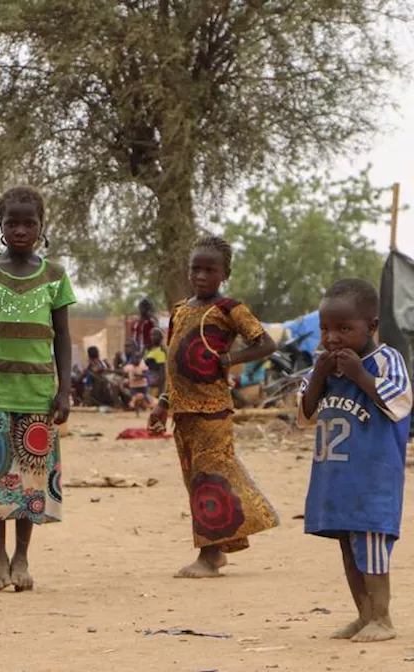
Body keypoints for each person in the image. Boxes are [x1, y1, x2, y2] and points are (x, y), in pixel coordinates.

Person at [0, 186, 73, 592]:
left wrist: (64, 389)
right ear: (1, 227)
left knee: (30, 484)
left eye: (29, 223)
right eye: (12, 222)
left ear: (42, 227)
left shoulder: (55, 275)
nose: (20, 229)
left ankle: (22, 556)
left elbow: (62, 335)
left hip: (38, 394)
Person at [149, 235, 278, 578]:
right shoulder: (180, 309)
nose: (201, 276)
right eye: (196, 269)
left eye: (210, 270)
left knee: (210, 479)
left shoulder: (229, 310)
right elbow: (172, 365)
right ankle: (217, 551)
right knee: (196, 481)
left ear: (225, 273)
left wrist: (231, 358)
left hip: (214, 410)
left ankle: (208, 557)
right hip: (183, 412)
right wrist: (163, 403)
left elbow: (266, 343)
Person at [299, 278, 411, 643]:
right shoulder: (323, 369)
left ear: (372, 327)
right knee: (349, 548)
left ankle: (383, 618)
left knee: (373, 546)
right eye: (326, 329)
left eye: (344, 329)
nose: (333, 338)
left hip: (373, 480)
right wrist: (319, 375)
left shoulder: (386, 360)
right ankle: (364, 616)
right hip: (335, 478)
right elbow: (304, 414)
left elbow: (400, 404)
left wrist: (361, 376)